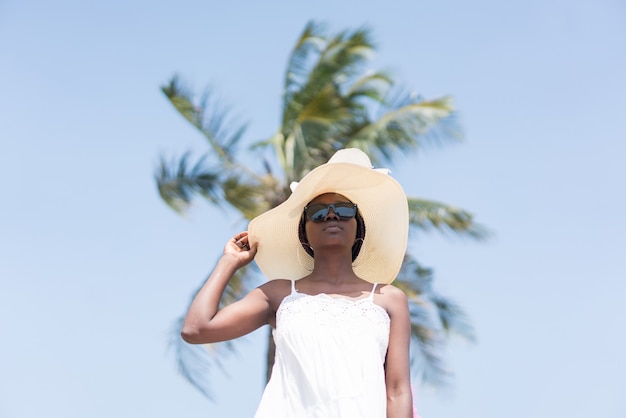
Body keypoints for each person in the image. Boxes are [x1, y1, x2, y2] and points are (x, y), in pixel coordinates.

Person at [181, 148, 414, 417]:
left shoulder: (389, 299)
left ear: (358, 228)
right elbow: (196, 329)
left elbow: (397, 390)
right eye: (317, 212)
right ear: (303, 234)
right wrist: (229, 262)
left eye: (343, 209)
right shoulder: (279, 294)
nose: (331, 215)